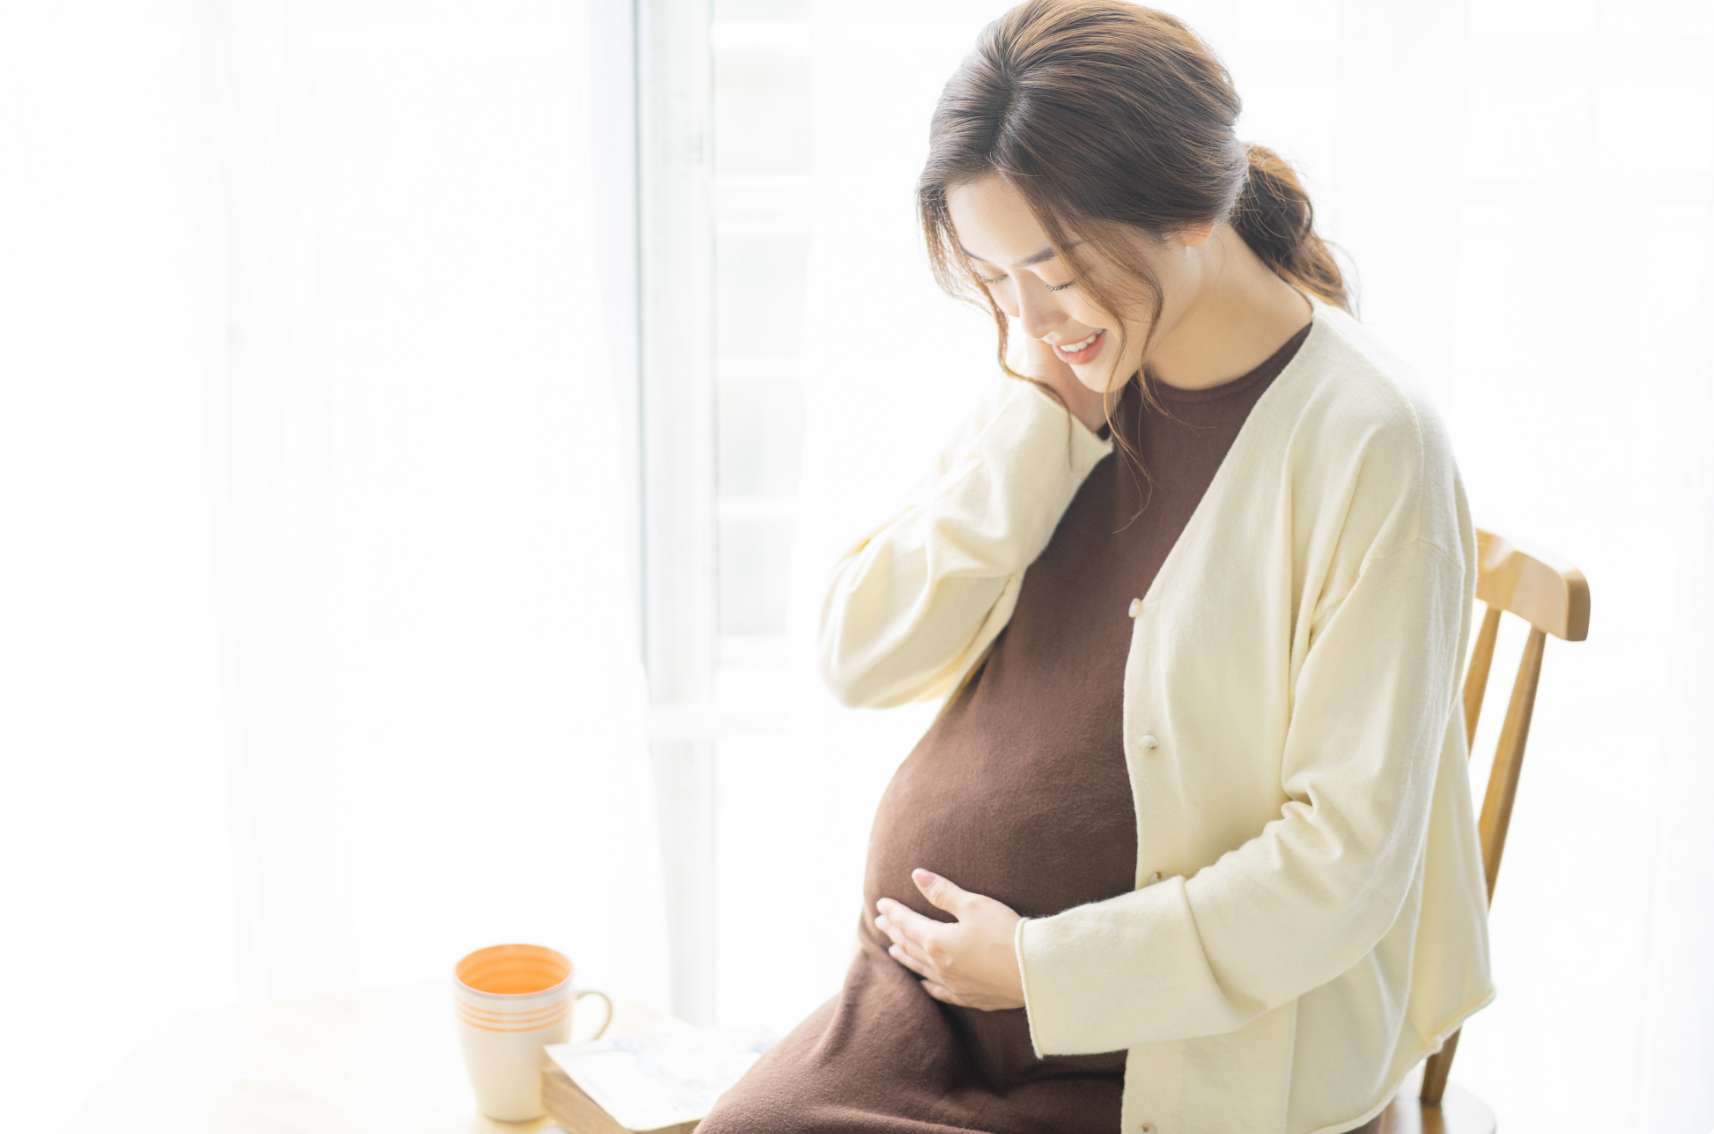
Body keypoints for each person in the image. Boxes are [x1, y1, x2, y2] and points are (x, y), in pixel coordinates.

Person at [696, 2, 1494, 1132]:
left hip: (1172, 1054)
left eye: (1048, 270)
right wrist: (1037, 422)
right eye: (989, 276)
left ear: (1183, 216)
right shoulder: (1077, 362)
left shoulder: (1369, 440)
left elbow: (1341, 867)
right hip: (938, 1001)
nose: (1023, 314)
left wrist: (1039, 967)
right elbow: (859, 655)